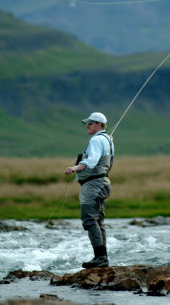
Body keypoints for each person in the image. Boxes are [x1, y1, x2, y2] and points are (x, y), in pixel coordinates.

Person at [64, 112, 114, 268]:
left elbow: (91, 161)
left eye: (91, 123)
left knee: (89, 219)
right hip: (102, 183)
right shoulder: (107, 140)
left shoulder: (96, 140)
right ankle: (102, 257)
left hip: (93, 185)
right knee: (98, 220)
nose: (88, 125)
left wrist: (74, 168)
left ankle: (99, 258)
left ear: (99, 125)